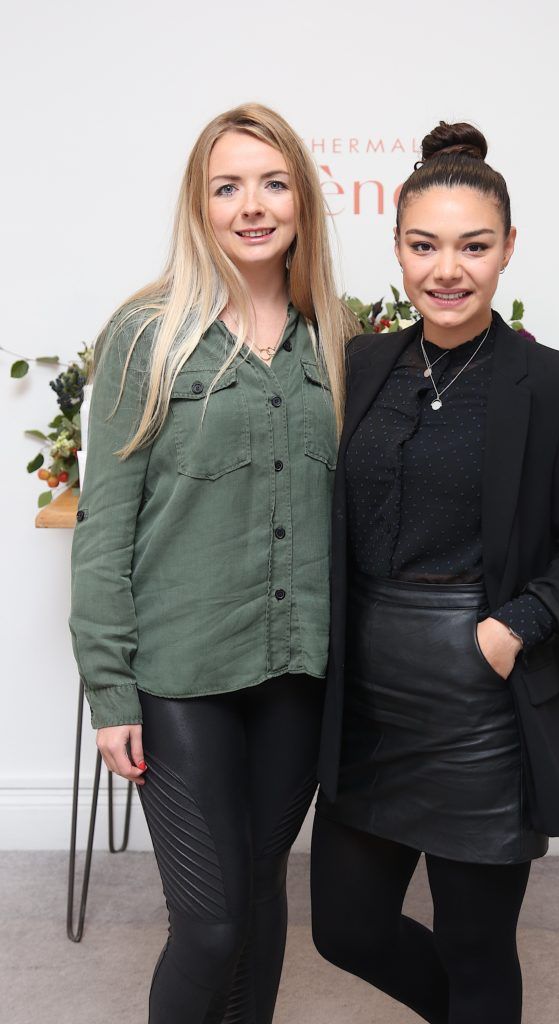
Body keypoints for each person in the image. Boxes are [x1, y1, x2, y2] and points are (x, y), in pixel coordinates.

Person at [310, 121, 559, 1024]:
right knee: (345, 929)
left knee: (477, 946)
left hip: (482, 706)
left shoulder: (555, 384)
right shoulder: (360, 364)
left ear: (507, 250)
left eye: (473, 246)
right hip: (368, 703)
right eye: (424, 245)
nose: (447, 270)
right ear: (399, 248)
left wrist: (514, 627)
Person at [69, 102, 354, 1024]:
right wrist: (110, 690)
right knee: (210, 923)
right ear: (199, 205)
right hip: (183, 673)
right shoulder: (145, 335)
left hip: (296, 670)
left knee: (265, 897)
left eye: (273, 184)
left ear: (303, 200)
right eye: (226, 186)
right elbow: (105, 526)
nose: (252, 206)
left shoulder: (335, 342)